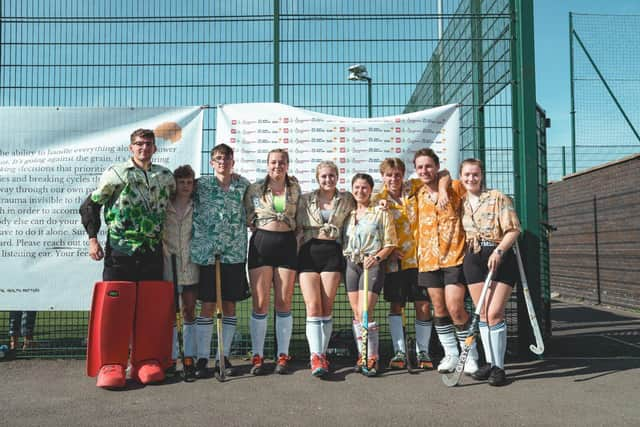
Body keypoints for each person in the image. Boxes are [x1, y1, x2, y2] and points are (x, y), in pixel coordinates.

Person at [80, 128, 176, 388]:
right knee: (116, 307)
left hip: (151, 251)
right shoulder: (116, 174)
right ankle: (111, 363)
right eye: (139, 144)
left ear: (155, 148)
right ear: (131, 148)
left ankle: (146, 360)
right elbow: (90, 205)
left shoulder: (165, 177)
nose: (144, 148)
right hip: (121, 250)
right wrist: (92, 239)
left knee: (149, 308)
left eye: (148, 144)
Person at [373, 158, 449, 370]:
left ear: (404, 175)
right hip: (394, 262)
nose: (394, 178)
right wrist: (385, 251)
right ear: (383, 176)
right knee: (396, 304)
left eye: (398, 174)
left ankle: (422, 350)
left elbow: (444, 174)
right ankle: (399, 351)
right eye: (389, 175)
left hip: (421, 258)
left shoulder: (414, 186)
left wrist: (442, 192)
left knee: (423, 304)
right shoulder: (377, 198)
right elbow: (372, 229)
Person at [413, 148, 479, 375]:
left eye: (428, 166)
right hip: (428, 260)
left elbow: (449, 174)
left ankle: (469, 353)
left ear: (437, 167)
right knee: (439, 309)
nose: (424, 170)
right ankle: (450, 354)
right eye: (420, 167)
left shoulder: (454, 188)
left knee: (455, 308)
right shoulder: (416, 192)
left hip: (454, 257)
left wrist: (443, 188)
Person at [190, 144, 251, 378]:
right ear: (211, 162)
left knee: (229, 304)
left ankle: (222, 355)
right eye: (217, 159)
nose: (222, 162)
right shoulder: (201, 185)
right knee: (206, 305)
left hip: (233, 252)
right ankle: (202, 356)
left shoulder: (242, 185)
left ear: (232, 161)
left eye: (226, 159)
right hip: (207, 253)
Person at [459, 158, 521, 386]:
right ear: (461, 176)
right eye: (466, 175)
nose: (471, 179)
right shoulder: (462, 201)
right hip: (473, 259)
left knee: (495, 313)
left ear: (481, 175)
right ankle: (489, 361)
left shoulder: (497, 197)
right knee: (483, 313)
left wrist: (499, 251)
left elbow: (513, 230)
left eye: (475, 174)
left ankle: (499, 367)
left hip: (499, 258)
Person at [244, 148, 301, 375]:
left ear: (287, 165)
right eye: (273, 162)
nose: (277, 166)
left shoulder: (295, 188)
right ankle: (257, 355)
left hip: (286, 245)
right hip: (261, 245)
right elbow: (248, 215)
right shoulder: (255, 188)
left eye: (282, 162)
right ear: (267, 164)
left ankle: (282, 355)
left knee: (284, 301)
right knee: (260, 303)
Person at [296, 161, 355, 377]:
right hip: (309, 253)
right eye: (324, 176)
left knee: (326, 307)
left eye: (331, 176)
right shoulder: (305, 199)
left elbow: (369, 201)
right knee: (312, 306)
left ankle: (323, 354)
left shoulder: (347, 199)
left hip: (332, 253)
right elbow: (295, 224)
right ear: (317, 178)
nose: (328, 180)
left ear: (337, 177)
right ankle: (316, 356)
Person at [343, 173, 397, 376]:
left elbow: (391, 242)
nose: (360, 191)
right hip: (351, 263)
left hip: (372, 264)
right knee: (357, 313)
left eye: (364, 187)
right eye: (356, 187)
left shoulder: (381, 211)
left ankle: (373, 357)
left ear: (371, 189)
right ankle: (362, 354)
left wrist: (377, 258)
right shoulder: (349, 213)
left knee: (366, 311)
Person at [162, 165, 199, 379]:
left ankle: (189, 356)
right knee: (169, 313)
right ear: (175, 183)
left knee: (189, 310)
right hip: (169, 264)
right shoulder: (165, 205)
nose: (185, 186)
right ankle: (171, 355)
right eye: (182, 182)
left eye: (189, 182)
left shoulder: (197, 205)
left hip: (191, 266)